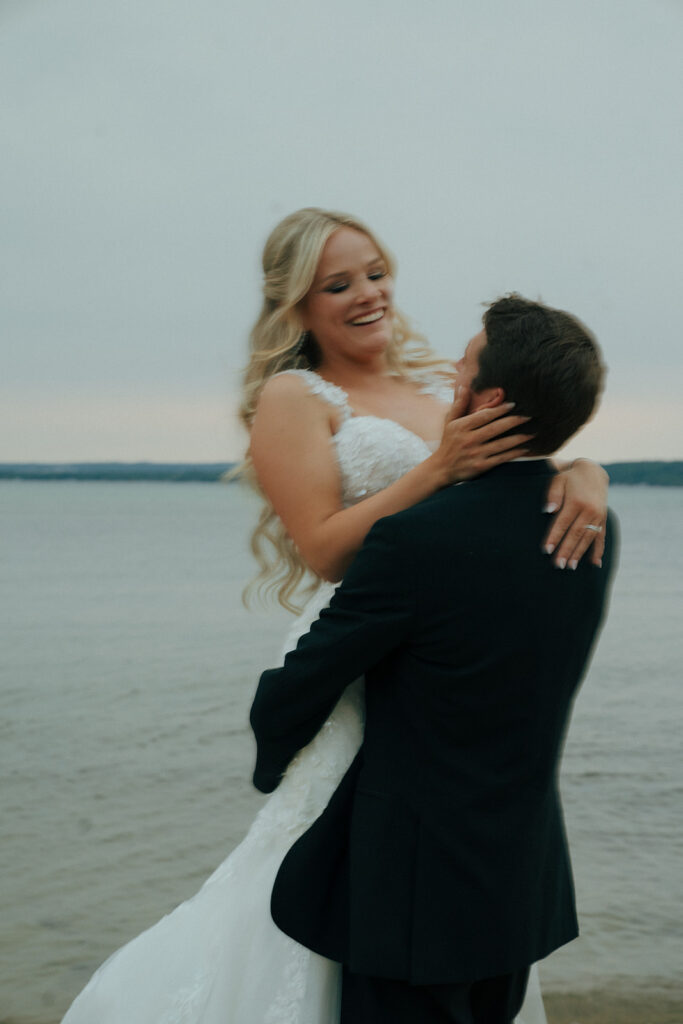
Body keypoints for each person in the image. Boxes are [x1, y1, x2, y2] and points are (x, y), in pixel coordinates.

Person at [61, 212, 607, 1023]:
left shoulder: (435, 385)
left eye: (375, 272)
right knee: (340, 857)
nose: (366, 295)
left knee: (443, 860)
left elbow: (513, 479)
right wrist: (436, 469)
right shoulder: (292, 396)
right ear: (297, 305)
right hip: (357, 642)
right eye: (337, 283)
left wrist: (585, 471)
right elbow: (321, 547)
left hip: (441, 661)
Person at [250, 293, 618, 1024]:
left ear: (486, 399)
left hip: (411, 896)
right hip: (518, 884)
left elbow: (295, 692)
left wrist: (275, 764)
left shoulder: (415, 541)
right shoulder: (592, 526)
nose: (452, 368)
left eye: (466, 364)